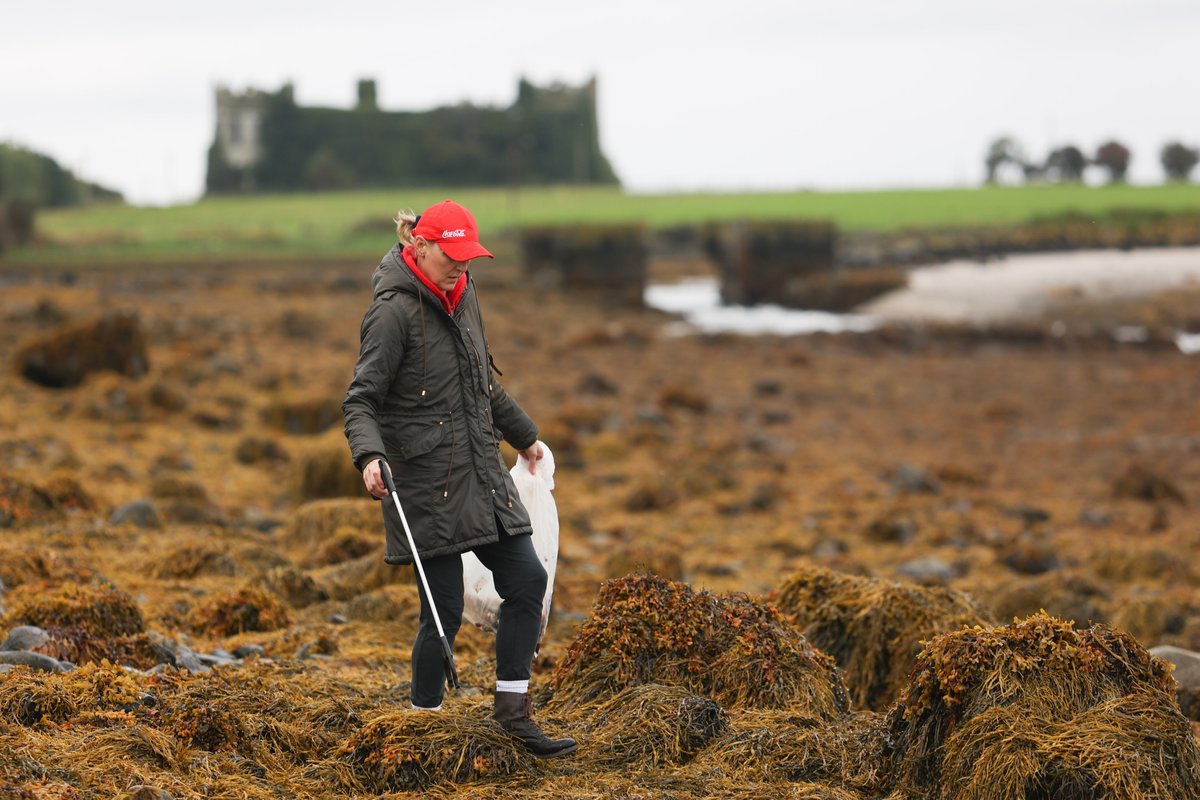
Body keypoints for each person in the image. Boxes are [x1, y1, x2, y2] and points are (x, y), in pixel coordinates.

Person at [343, 199, 576, 758]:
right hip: (423, 487)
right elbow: (361, 401)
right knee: (442, 612)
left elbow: (484, 385)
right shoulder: (391, 313)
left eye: (469, 258)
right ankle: (424, 722)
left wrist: (526, 436)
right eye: (453, 257)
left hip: (481, 472)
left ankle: (513, 710)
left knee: (526, 581)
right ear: (419, 247)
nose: (461, 268)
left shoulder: (466, 295)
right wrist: (369, 458)